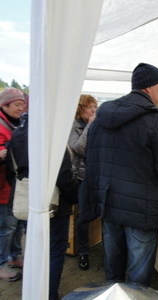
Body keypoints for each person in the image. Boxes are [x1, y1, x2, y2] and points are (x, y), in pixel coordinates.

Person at [79, 62, 158, 286]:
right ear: (147, 88)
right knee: (138, 278)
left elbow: (90, 160)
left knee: (113, 272)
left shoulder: (101, 118)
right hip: (140, 210)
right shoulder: (154, 119)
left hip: (109, 204)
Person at [6, 111, 79, 300]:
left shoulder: (17, 133)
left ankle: (35, 292)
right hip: (54, 203)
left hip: (26, 200)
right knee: (54, 251)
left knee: (34, 248)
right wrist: (74, 196)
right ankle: (49, 295)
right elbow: (64, 176)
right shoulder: (51, 135)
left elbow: (10, 171)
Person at [68, 94, 97, 270]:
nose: (94, 110)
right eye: (89, 107)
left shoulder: (94, 124)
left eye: (95, 107)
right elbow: (78, 147)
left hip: (97, 175)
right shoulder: (73, 125)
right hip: (81, 177)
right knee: (83, 216)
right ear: (80, 109)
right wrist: (91, 126)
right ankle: (83, 252)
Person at [0, 87, 25, 282]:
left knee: (17, 224)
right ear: (5, 105)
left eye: (22, 103)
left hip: (15, 186)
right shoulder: (1, 126)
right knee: (6, 227)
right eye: (17, 104)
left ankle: (14, 256)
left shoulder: (18, 124)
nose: (21, 108)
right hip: (3, 187)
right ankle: (1, 263)